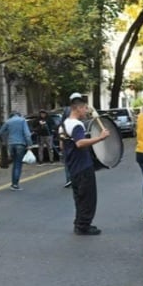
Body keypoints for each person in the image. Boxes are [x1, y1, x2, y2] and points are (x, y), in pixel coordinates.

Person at [60, 96, 109, 235]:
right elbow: (80, 143)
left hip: (72, 166)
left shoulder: (63, 125)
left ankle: (79, 222)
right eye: (85, 108)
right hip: (83, 165)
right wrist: (100, 137)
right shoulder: (76, 125)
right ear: (78, 108)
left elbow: (62, 145)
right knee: (88, 197)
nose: (86, 111)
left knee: (79, 197)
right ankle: (84, 225)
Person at [0, 110, 32, 191]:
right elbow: (27, 134)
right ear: (19, 115)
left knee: (14, 163)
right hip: (20, 144)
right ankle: (15, 184)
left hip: (11, 144)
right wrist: (29, 144)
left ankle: (13, 183)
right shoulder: (22, 120)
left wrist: (2, 141)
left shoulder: (8, 122)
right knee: (18, 164)